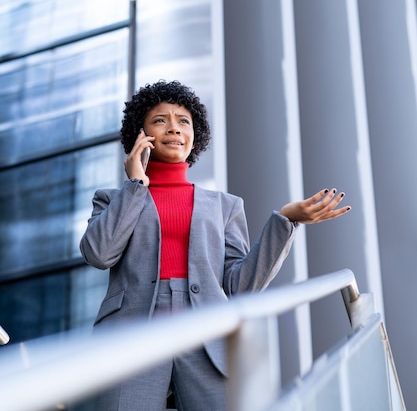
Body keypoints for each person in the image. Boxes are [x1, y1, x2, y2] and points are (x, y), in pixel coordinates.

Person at [80, 80, 350, 411]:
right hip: (132, 335)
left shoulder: (224, 205)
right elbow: (98, 253)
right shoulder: (112, 199)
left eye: (183, 121)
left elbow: (240, 287)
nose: (174, 128)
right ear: (141, 134)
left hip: (207, 332)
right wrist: (136, 184)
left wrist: (286, 221)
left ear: (195, 135)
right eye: (160, 120)